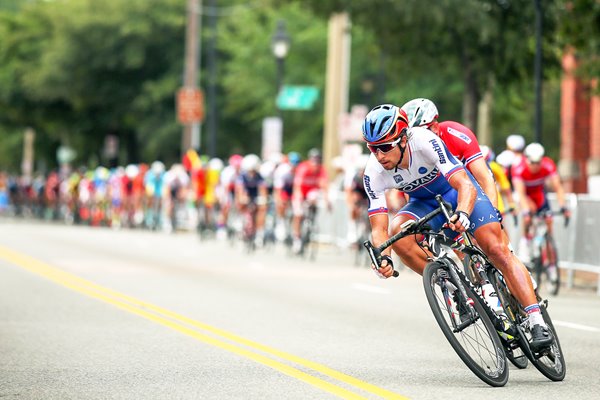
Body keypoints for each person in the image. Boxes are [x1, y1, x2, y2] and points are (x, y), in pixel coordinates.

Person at [361, 104, 553, 350]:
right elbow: (379, 229)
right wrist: (383, 258)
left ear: (403, 138)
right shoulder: (373, 171)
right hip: (423, 203)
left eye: (385, 147)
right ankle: (455, 289)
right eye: (372, 148)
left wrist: (463, 212)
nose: (379, 155)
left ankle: (536, 320)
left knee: (496, 249)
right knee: (398, 233)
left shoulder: (425, 141)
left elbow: (465, 183)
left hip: (456, 192)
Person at [511, 142, 571, 263]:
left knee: (549, 221)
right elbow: (521, 194)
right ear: (527, 159)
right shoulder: (518, 167)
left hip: (539, 194)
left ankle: (550, 262)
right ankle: (525, 242)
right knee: (529, 214)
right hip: (525, 195)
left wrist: (564, 206)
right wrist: (526, 212)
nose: (536, 166)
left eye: (538, 162)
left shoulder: (548, 165)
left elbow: (558, 187)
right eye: (533, 162)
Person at [291, 148, 330, 254]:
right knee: (298, 215)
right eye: (314, 160)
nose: (315, 163)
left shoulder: (321, 170)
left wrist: (327, 201)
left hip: (311, 194)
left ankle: (311, 217)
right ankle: (297, 239)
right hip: (300, 193)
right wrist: (298, 199)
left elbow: (324, 187)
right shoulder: (303, 168)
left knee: (314, 197)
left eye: (317, 160)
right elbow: (297, 186)